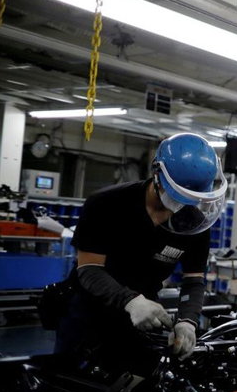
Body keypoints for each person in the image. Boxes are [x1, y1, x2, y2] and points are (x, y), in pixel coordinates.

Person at [55, 134, 227, 371]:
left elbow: (194, 281)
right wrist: (131, 301)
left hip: (145, 317)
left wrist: (188, 321)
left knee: (141, 383)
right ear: (157, 174)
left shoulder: (194, 222)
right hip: (89, 313)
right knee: (75, 382)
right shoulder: (107, 203)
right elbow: (89, 269)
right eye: (178, 194)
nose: (183, 203)